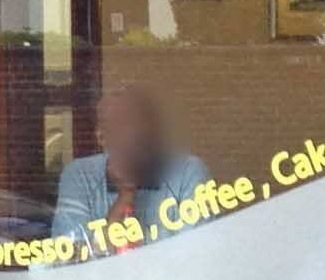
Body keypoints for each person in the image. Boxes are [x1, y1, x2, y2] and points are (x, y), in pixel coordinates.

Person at [49, 81, 212, 239]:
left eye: (144, 121)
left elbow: (196, 252)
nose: (135, 131)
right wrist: (125, 195)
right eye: (122, 123)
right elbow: (73, 257)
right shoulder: (80, 175)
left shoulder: (188, 173)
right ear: (102, 137)